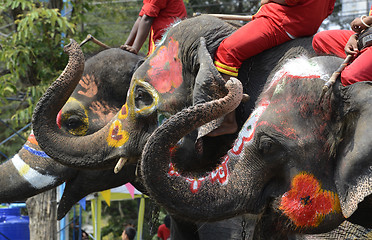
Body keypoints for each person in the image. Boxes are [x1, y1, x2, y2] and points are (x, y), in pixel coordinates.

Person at [209, 0, 336, 136]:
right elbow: (328, 10)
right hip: (305, 24)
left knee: (227, 51)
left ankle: (227, 120)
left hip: (283, 20)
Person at [312, 8, 372, 86]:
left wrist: (368, 20)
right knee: (320, 40)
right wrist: (355, 36)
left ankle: (359, 69)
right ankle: (359, 63)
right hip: (367, 39)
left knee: (349, 78)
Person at [120, 0, 187, 55]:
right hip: (161, 39)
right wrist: (126, 46)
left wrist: (135, 48)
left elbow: (147, 19)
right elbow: (141, 17)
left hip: (171, 42)